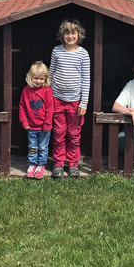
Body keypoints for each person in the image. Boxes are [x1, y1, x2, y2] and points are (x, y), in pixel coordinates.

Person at [49, 19, 90, 179]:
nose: (70, 36)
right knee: (59, 132)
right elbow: (51, 73)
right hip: (57, 99)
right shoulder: (56, 51)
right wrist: (48, 95)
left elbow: (86, 80)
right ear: (62, 35)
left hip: (75, 101)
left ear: (79, 35)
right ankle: (58, 163)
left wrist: (84, 103)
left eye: (73, 32)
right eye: (67, 32)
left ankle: (73, 163)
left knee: (73, 133)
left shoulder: (83, 54)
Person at [18, 61, 54, 180]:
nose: (38, 81)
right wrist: (24, 122)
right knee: (32, 147)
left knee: (43, 147)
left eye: (41, 78)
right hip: (31, 126)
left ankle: (41, 165)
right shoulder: (26, 91)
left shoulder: (47, 91)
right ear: (30, 77)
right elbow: (22, 107)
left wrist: (47, 123)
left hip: (44, 127)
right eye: (36, 78)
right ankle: (32, 165)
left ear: (45, 79)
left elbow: (50, 108)